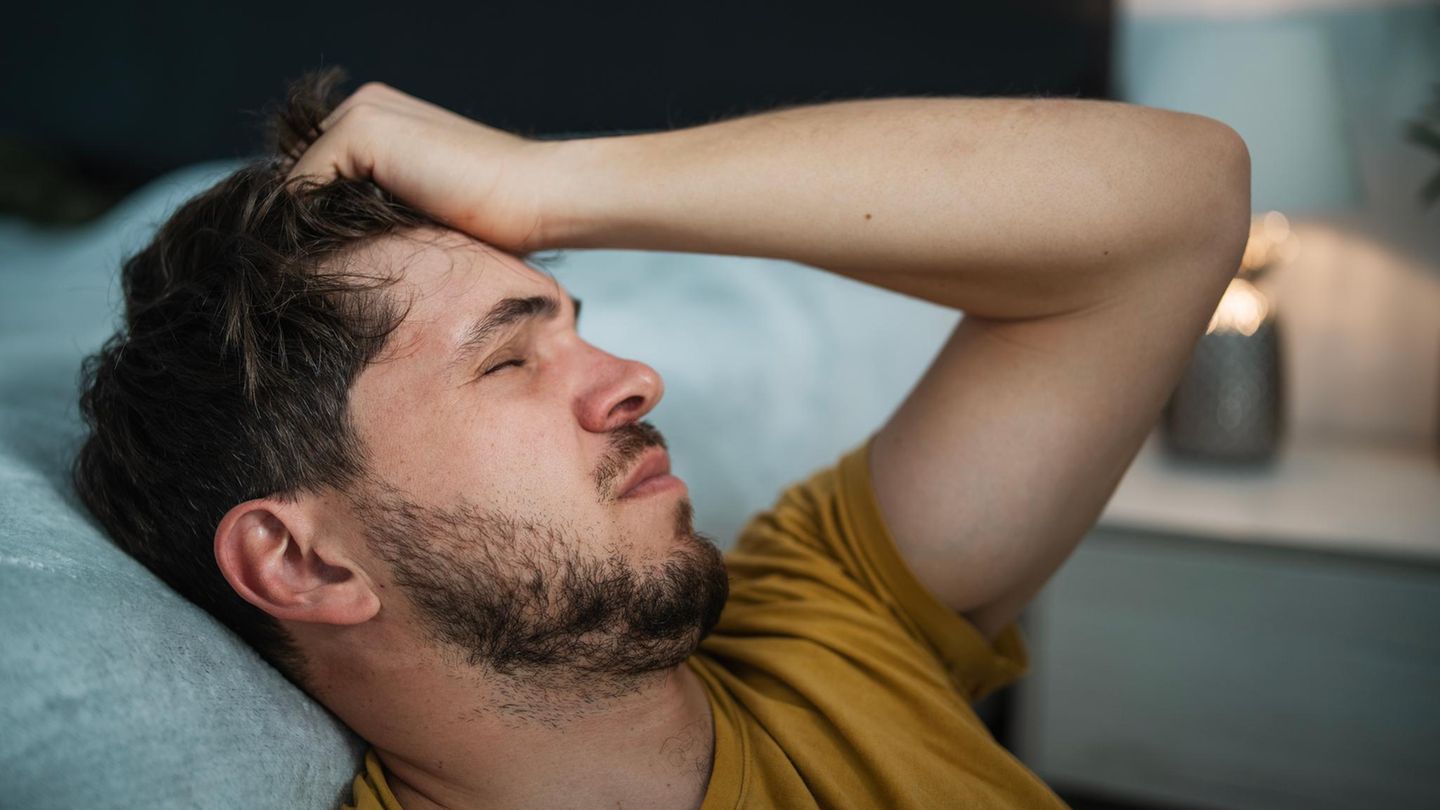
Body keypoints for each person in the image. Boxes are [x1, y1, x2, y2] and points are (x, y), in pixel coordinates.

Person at [72, 69, 1250, 809]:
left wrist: (546, 187)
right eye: (508, 359)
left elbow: (1186, 193)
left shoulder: (836, 620)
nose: (635, 380)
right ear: (306, 561)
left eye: (581, 328)